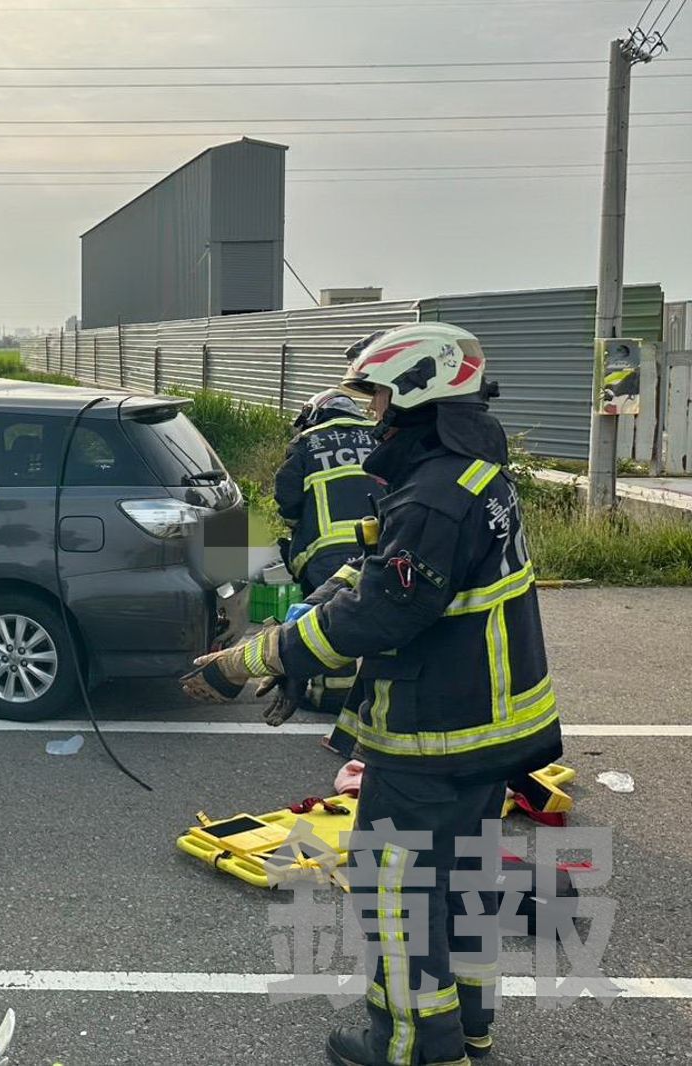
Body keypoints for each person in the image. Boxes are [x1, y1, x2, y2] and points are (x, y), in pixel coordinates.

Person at [182, 323, 562, 1066]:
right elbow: (375, 571)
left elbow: (381, 612)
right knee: (461, 881)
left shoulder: (434, 497)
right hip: (489, 729)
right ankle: (468, 1025)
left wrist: (245, 661)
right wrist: (294, 648)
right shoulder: (468, 474)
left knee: (398, 892)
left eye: (382, 396)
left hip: (437, 736)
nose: (375, 412)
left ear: (421, 395)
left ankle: (415, 1045)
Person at [273, 386, 381, 713]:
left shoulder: (307, 442)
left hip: (325, 552)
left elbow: (287, 496)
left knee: (328, 622)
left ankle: (331, 695)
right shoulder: (380, 436)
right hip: (380, 545)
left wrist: (297, 524)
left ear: (314, 415)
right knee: (378, 614)